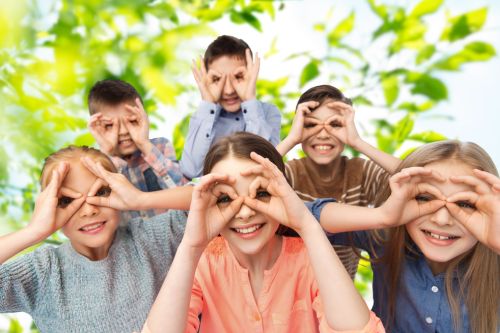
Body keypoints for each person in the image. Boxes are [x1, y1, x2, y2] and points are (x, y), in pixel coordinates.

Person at [142, 132, 385, 333]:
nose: (245, 213)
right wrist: (191, 246)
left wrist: (307, 225)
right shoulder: (203, 263)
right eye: (226, 198)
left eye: (261, 193)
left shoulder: (308, 259)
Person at [309, 140, 500, 332]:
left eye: (464, 204)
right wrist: (381, 216)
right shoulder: (386, 236)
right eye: (425, 197)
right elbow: (294, 218)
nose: (442, 219)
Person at [0, 146, 188, 332]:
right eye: (67, 201)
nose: (89, 210)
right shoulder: (43, 271)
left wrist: (141, 199)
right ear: (49, 207)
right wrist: (33, 231)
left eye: (100, 192)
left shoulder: (151, 239)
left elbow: (215, 197)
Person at [277, 84, 400, 278]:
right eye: (310, 125)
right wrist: (291, 139)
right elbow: (247, 179)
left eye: (334, 125)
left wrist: (358, 142)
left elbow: (415, 177)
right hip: (292, 288)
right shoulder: (290, 173)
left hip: (341, 292)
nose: (323, 133)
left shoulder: (360, 172)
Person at [180, 35, 281, 179]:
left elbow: (262, 168)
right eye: (217, 79)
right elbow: (191, 171)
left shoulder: (269, 112)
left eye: (238, 76)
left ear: (252, 74)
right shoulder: (204, 117)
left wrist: (249, 99)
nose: (228, 90)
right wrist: (208, 102)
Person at [88, 79, 187, 220]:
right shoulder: (94, 165)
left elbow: (183, 192)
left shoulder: (160, 146)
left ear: (144, 118)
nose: (123, 131)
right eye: (109, 125)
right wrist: (108, 153)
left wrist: (144, 144)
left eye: (132, 121)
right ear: (97, 127)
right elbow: (97, 211)